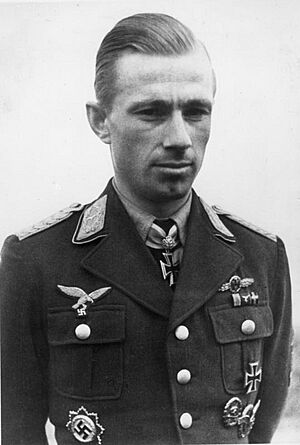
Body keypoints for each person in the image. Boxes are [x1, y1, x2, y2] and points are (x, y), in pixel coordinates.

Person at [0, 12, 293, 445]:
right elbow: (16, 428)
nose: (179, 137)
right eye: (151, 111)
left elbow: (262, 420)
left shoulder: (261, 255)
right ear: (101, 120)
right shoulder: (37, 260)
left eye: (196, 111)